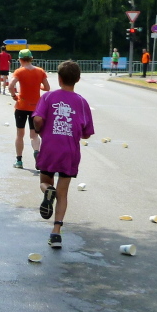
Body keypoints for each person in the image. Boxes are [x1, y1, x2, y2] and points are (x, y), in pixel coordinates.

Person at [33, 60, 94, 249]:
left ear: (59, 78)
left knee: (44, 181)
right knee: (63, 192)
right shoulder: (82, 102)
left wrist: (39, 129)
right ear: (78, 79)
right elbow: (87, 132)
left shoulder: (48, 97)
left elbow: (38, 119)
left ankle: (47, 191)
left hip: (50, 148)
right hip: (70, 151)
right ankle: (56, 233)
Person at [8, 49, 50, 169]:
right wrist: (40, 87)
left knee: (20, 134)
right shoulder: (40, 71)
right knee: (34, 135)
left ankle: (19, 161)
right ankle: (36, 151)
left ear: (20, 59)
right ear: (31, 58)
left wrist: (14, 96)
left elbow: (11, 86)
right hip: (36, 108)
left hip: (21, 106)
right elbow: (47, 87)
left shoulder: (19, 71)